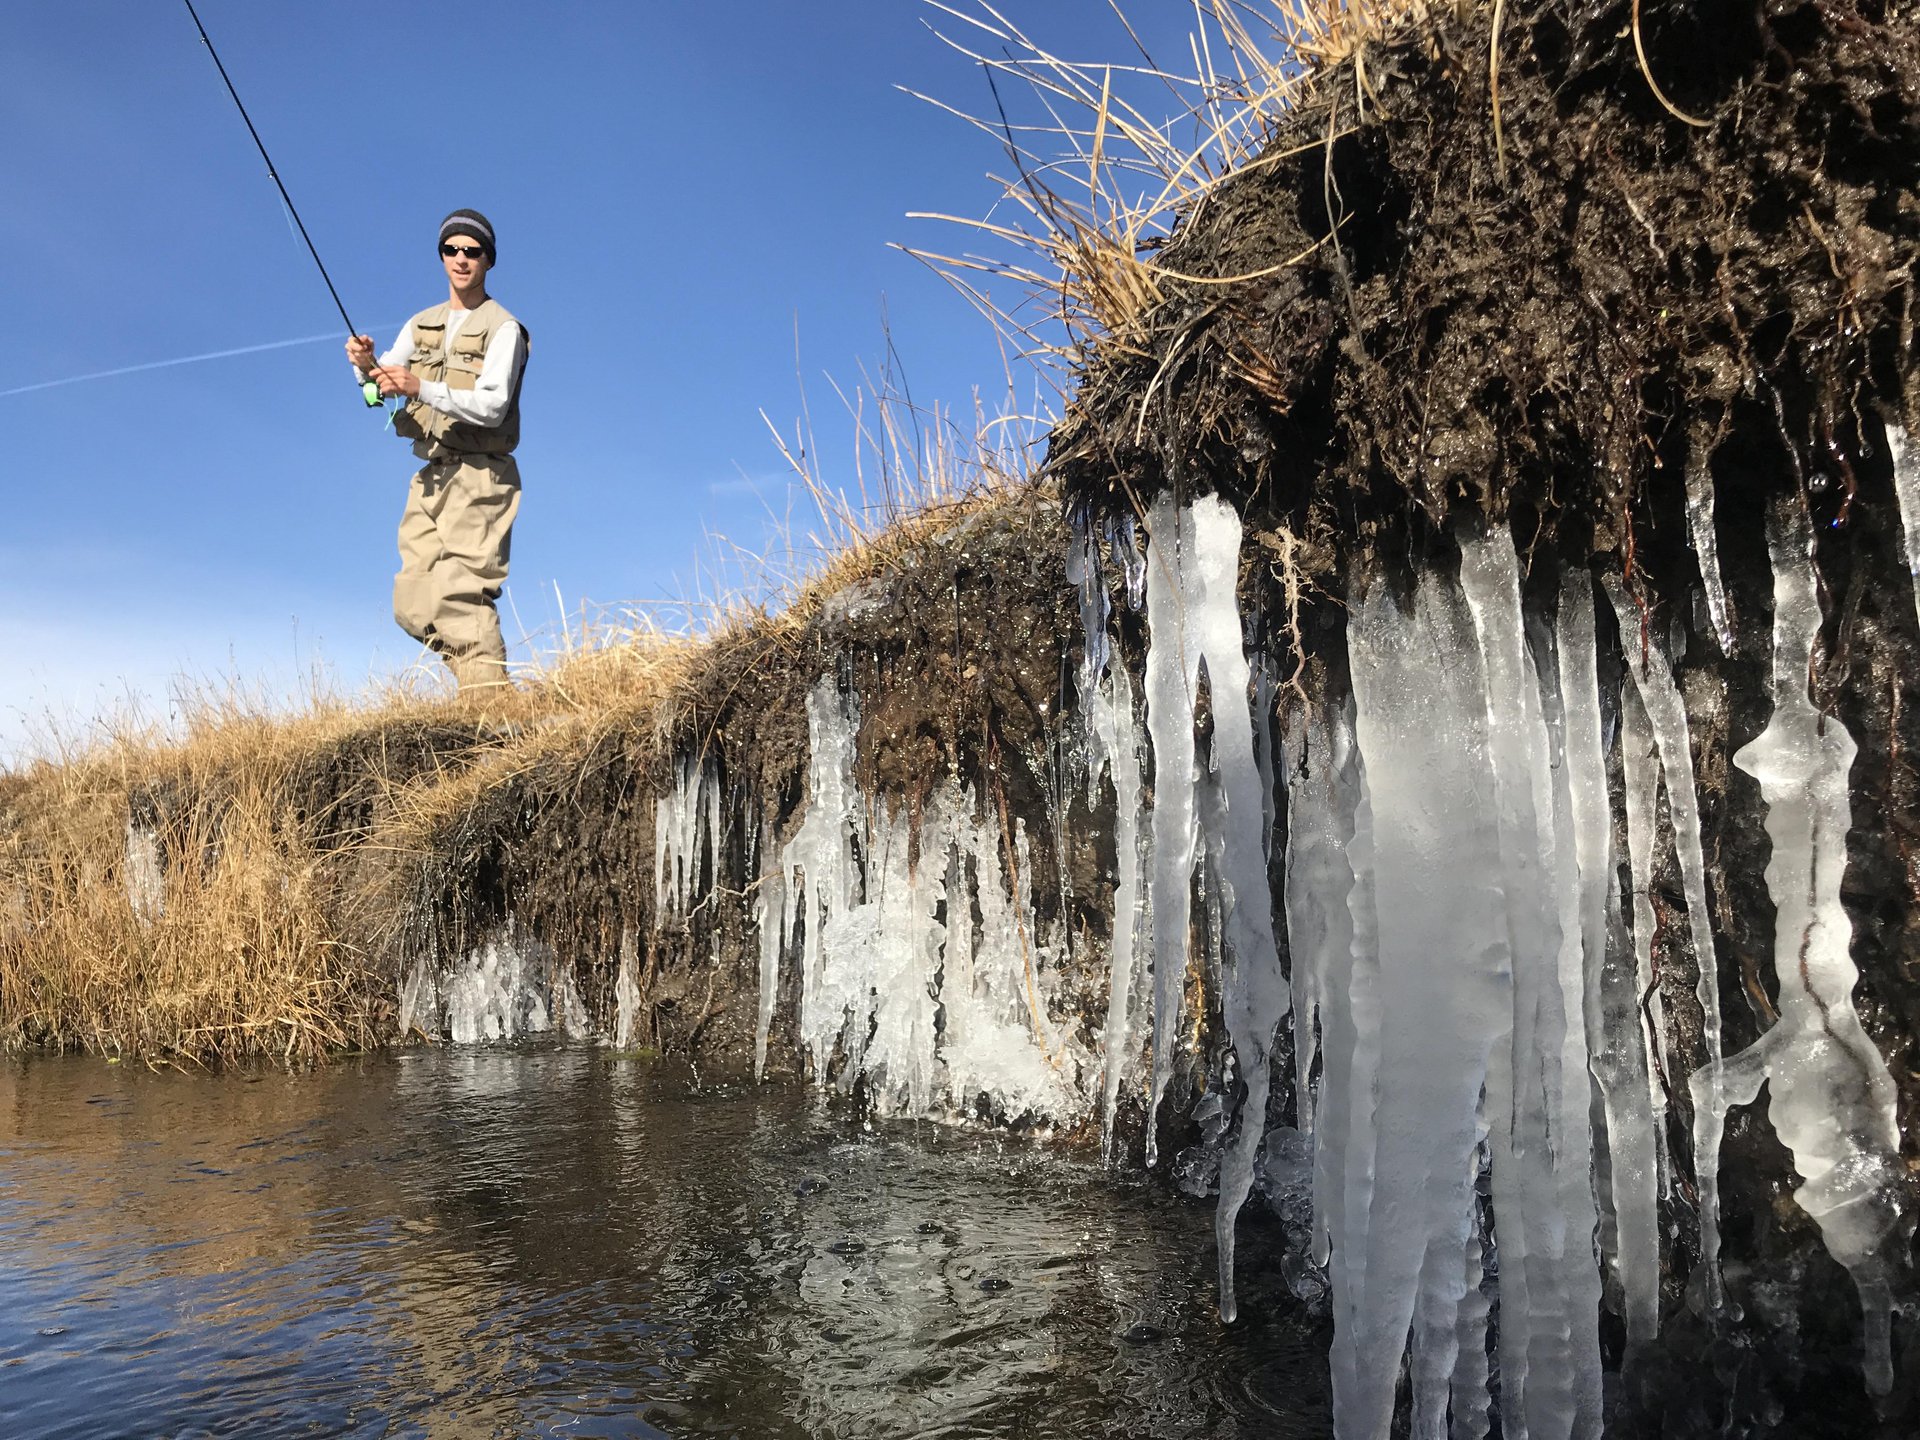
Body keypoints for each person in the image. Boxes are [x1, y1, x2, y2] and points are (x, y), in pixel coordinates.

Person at [347, 209, 529, 696]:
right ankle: (481, 691)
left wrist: (420, 386)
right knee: (413, 603)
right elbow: (378, 387)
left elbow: (492, 406)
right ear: (441, 256)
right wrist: (366, 368)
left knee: (459, 594)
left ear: (488, 260)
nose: (462, 259)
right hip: (431, 474)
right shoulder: (420, 324)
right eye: (452, 249)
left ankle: (493, 710)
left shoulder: (504, 328)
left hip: (482, 473)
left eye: (473, 251)